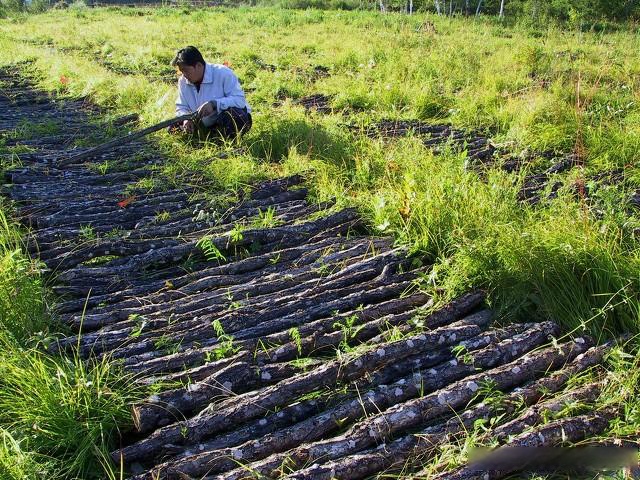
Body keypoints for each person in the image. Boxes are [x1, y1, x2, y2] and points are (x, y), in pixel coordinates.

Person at [170, 46, 252, 140]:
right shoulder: (183, 81)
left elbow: (239, 100)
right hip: (201, 123)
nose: (184, 75)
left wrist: (214, 104)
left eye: (186, 70)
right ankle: (204, 136)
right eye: (181, 71)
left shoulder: (223, 73)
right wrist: (185, 119)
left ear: (199, 66)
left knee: (234, 116)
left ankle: (226, 141)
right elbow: (182, 106)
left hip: (224, 119)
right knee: (173, 127)